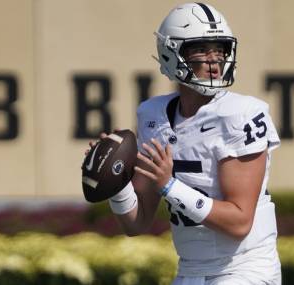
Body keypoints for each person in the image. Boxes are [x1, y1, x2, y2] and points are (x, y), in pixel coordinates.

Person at [91, 3, 282, 284]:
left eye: (220, 49)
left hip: (244, 268)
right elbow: (137, 222)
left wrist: (169, 186)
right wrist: (115, 182)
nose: (214, 60)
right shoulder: (152, 116)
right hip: (190, 270)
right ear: (172, 52)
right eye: (202, 49)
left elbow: (239, 222)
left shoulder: (241, 114)